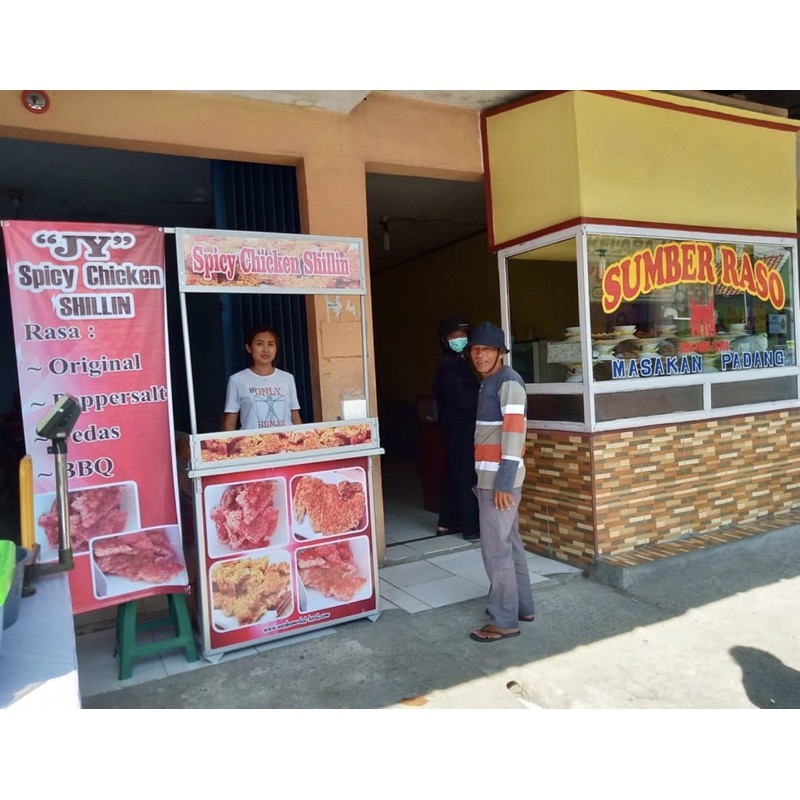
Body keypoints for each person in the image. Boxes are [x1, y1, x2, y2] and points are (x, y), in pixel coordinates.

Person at [467, 321, 535, 643]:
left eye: (487, 350)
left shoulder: (508, 381)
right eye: (475, 350)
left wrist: (504, 483)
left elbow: (514, 431)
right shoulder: (491, 382)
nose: (479, 355)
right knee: (510, 543)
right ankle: (522, 607)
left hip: (499, 481)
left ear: (501, 353)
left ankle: (504, 620)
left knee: (496, 551)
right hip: (493, 478)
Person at [432, 316, 480, 541]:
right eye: (454, 336)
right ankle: (471, 528)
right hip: (460, 427)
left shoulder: (459, 361)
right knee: (465, 475)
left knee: (454, 473)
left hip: (457, 426)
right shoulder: (449, 366)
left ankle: (447, 523)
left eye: (463, 335)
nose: (460, 339)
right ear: (444, 339)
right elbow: (462, 399)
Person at [222, 325, 302, 431]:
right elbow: (229, 424)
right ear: (249, 348)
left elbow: (295, 419)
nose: (266, 350)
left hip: (285, 440)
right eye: (259, 344)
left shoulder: (288, 378)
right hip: (253, 440)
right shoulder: (237, 380)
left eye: (271, 344)